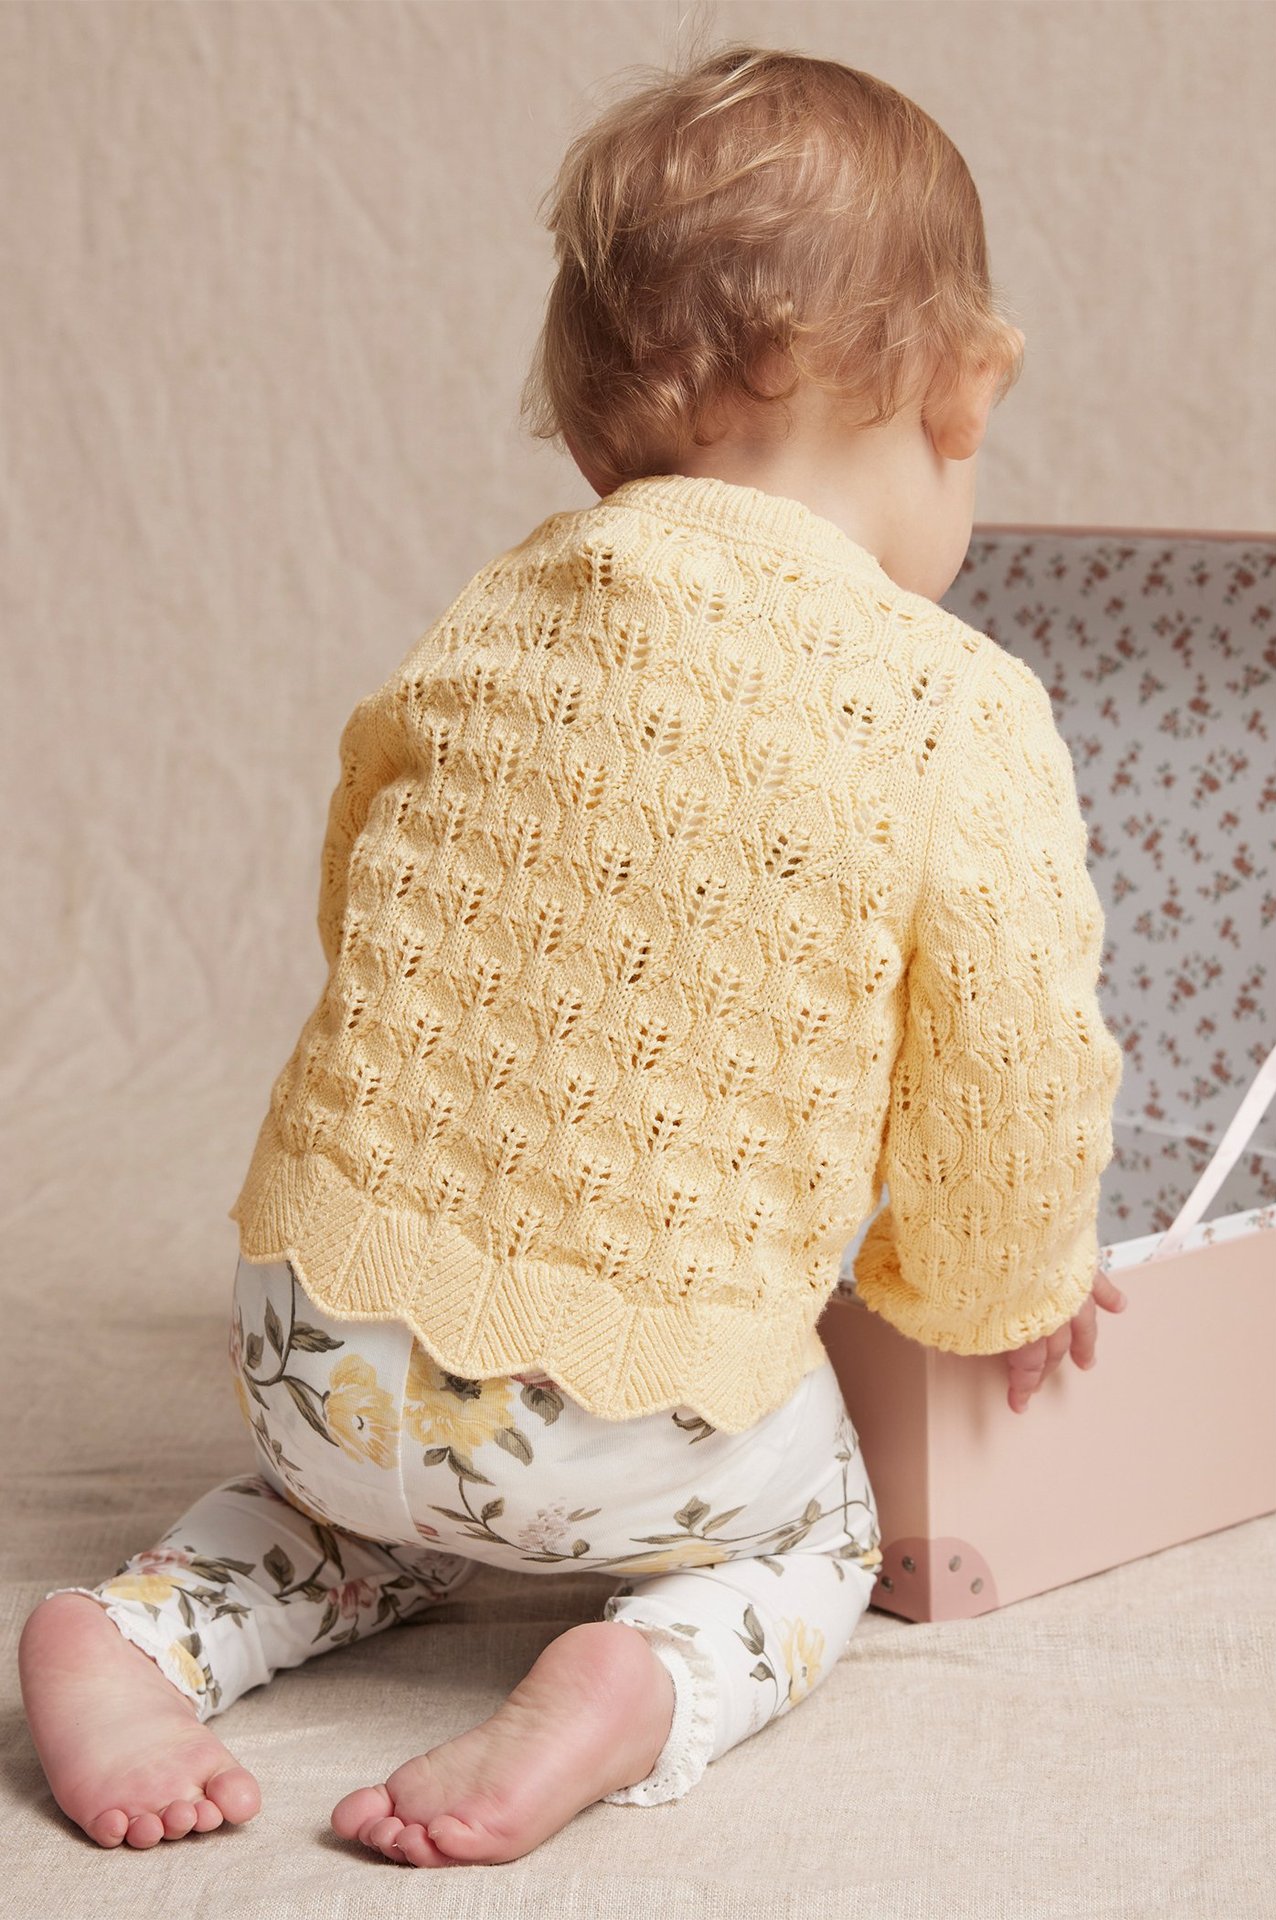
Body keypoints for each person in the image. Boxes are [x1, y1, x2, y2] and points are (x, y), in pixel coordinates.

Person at [19, 41, 1126, 1867]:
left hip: (313, 1320)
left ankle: (137, 1631)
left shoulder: (516, 600)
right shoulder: (955, 708)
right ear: (962, 394)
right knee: (810, 1539)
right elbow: (1005, 1074)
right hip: (635, 1426)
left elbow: (365, 879)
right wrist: (1002, 1287)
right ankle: (643, 1675)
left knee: (358, 1517)